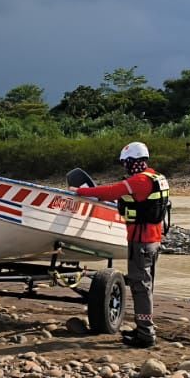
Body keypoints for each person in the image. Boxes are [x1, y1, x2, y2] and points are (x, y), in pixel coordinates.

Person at [73, 141, 171, 348]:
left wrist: (79, 192)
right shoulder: (158, 178)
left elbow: (110, 192)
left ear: (133, 161)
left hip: (142, 242)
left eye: (126, 162)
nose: (125, 166)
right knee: (145, 285)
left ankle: (145, 333)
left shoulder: (140, 181)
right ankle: (144, 329)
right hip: (153, 241)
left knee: (140, 286)